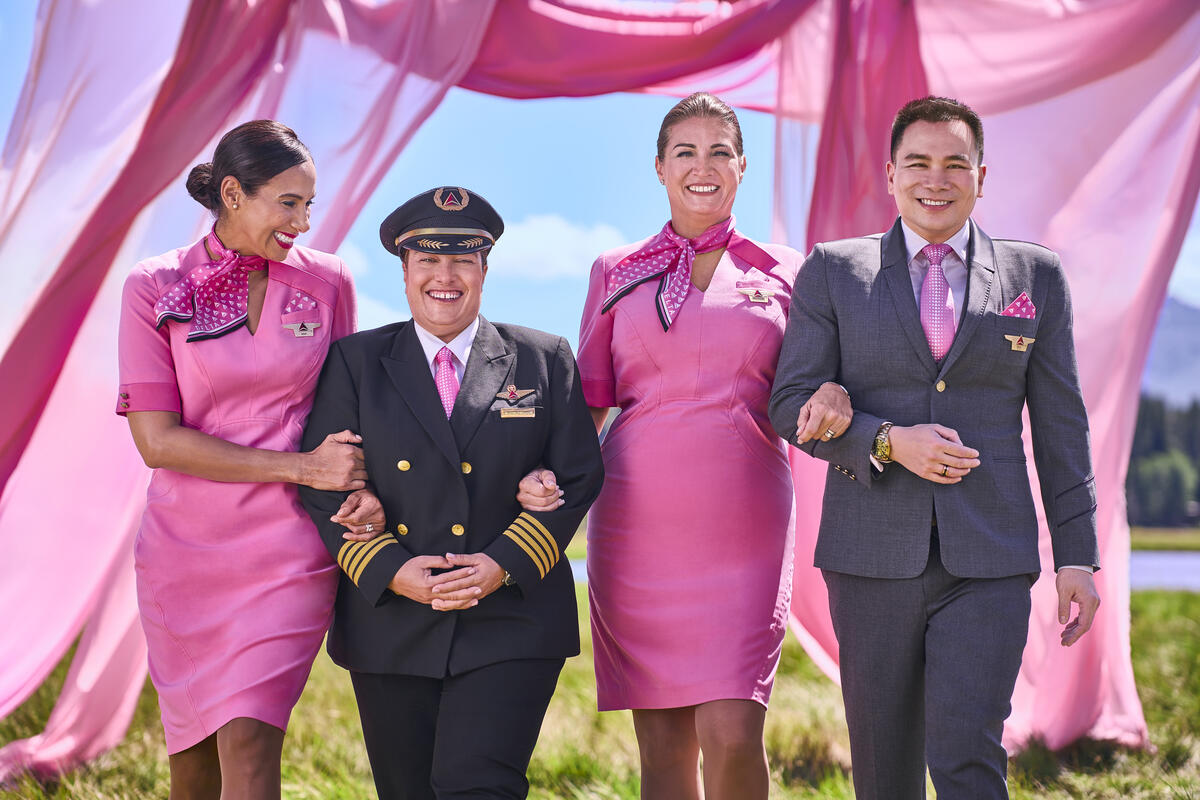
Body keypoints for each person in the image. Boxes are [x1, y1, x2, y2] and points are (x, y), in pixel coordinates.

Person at [768, 96, 1102, 799]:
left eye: (956, 164)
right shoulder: (833, 270)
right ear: (890, 175)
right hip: (869, 560)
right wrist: (885, 440)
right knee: (884, 772)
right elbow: (788, 403)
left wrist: (1077, 554)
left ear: (983, 175)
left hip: (991, 559)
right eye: (918, 162)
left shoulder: (1034, 276)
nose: (936, 179)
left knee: (967, 756)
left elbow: (1061, 427)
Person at [564, 92, 850, 800]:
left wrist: (838, 395)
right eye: (685, 152)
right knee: (662, 752)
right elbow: (585, 409)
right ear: (659, 168)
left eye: (719, 151)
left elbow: (816, 388)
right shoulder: (615, 270)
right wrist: (537, 526)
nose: (703, 166)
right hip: (635, 531)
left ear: (743, 167)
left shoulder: (791, 271)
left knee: (731, 731)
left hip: (744, 526)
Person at [297, 187, 605, 800]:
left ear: (485, 270)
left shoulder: (543, 358)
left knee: (478, 785)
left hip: (511, 617)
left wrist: (502, 564)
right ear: (405, 271)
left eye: (463, 259)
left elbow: (578, 474)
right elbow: (326, 482)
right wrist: (389, 568)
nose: (445, 276)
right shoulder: (356, 361)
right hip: (393, 620)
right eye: (428, 260)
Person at [117, 120, 383, 799]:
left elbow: (349, 413)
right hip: (185, 551)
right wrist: (300, 467)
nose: (302, 221)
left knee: (251, 739)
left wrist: (356, 488)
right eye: (287, 203)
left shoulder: (328, 282)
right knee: (194, 766)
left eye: (309, 205)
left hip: (289, 549)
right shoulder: (154, 287)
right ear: (233, 193)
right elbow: (157, 440)